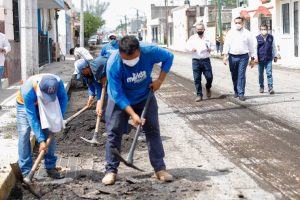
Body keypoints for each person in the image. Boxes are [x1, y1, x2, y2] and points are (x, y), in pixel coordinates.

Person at [102, 35, 174, 185]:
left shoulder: (149, 51)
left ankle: (159, 168)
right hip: (120, 100)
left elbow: (169, 57)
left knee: (152, 129)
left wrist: (160, 80)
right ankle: (111, 170)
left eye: (133, 58)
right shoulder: (113, 63)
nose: (130, 62)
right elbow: (117, 95)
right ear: (120, 53)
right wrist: (133, 115)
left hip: (144, 95)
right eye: (126, 59)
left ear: (139, 50)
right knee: (114, 132)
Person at [16, 74, 68, 179]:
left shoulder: (58, 83)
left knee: (50, 131)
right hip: (24, 105)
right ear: (39, 87)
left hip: (44, 104)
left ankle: (50, 167)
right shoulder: (28, 90)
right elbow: (32, 118)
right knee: (24, 133)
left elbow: (63, 99)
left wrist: (59, 120)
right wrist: (41, 140)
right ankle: (26, 171)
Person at [223, 17, 256, 101]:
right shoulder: (230, 33)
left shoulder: (247, 33)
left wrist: (252, 59)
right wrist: (225, 56)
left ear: (243, 23)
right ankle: (236, 91)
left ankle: (241, 93)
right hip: (232, 56)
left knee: (241, 75)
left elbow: (251, 46)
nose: (238, 24)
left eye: (239, 22)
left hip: (243, 57)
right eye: (236, 23)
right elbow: (226, 44)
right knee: (234, 74)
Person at [186, 23, 214, 102]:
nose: (199, 31)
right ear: (196, 30)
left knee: (209, 77)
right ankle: (199, 95)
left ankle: (208, 87)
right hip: (196, 61)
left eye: (201, 29)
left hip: (206, 60)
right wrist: (191, 49)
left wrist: (210, 49)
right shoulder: (192, 38)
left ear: (204, 29)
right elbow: (187, 46)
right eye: (198, 29)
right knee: (197, 79)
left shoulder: (208, 38)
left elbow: (213, 46)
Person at [255, 24, 278, 94]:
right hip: (260, 59)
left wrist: (275, 56)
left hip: (268, 58)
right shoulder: (257, 38)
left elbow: (274, 47)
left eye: (264, 29)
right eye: (262, 29)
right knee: (260, 74)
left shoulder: (271, 37)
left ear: (267, 30)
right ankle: (261, 87)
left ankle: (270, 88)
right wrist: (255, 57)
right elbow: (255, 48)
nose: (263, 31)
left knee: (269, 73)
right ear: (260, 30)